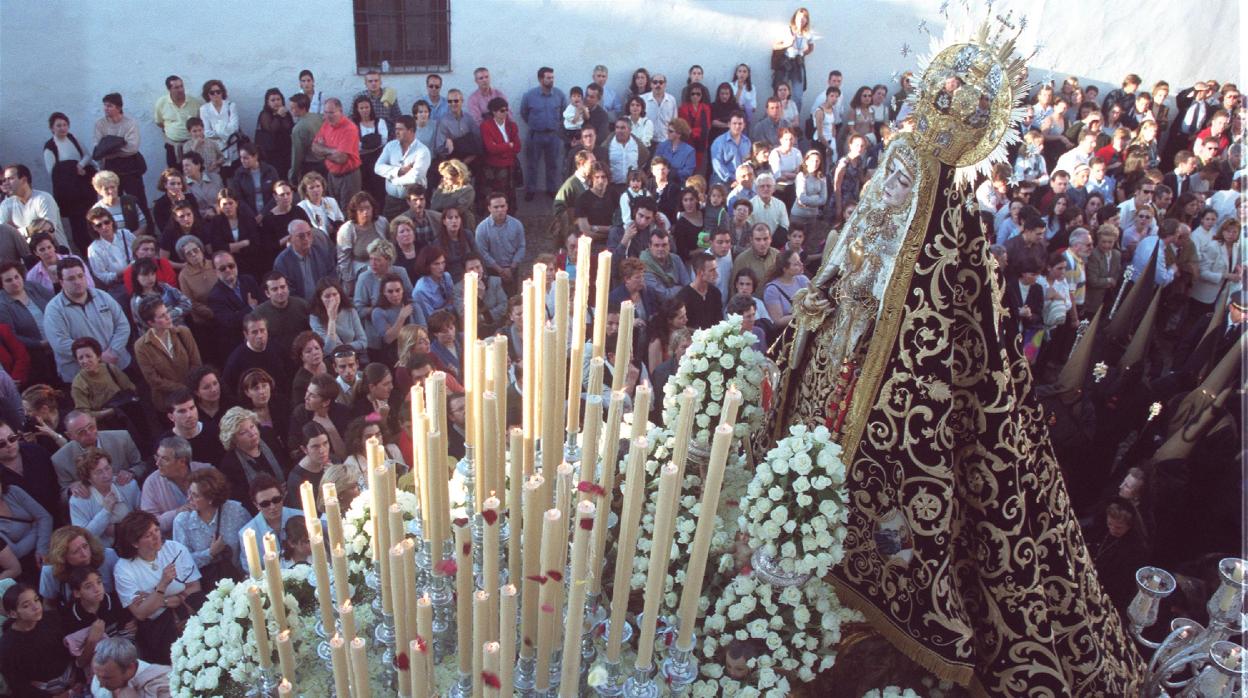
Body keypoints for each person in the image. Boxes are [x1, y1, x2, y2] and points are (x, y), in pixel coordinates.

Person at [114, 510, 201, 664]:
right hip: (157, 627)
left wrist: (155, 600)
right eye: (148, 535)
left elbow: (194, 587)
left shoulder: (175, 549)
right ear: (134, 543)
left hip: (187, 610)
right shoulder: (123, 569)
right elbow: (140, 613)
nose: (156, 537)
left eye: (156, 530)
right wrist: (162, 586)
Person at [43, 258, 131, 382]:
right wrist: (97, 357)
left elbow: (122, 325)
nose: (78, 282)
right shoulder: (53, 310)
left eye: (80, 276)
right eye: (71, 279)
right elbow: (60, 343)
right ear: (62, 282)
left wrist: (113, 351)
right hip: (84, 379)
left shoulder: (103, 296)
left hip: (118, 366)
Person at [0, 584, 76, 696]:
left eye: (36, 600)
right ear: (13, 613)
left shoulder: (52, 618)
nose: (36, 607)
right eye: (26, 606)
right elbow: (17, 684)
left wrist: (77, 678)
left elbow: (70, 648)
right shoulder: (8, 646)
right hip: (43, 691)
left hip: (71, 678)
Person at [42, 112, 97, 254]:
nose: (62, 128)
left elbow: (87, 155)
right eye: (58, 125)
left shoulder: (73, 139)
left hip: (84, 187)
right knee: (77, 222)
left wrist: (81, 165)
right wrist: (70, 171)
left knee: (91, 218)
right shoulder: (50, 147)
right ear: (52, 128)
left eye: (65, 125)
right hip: (69, 193)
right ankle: (85, 251)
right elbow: (53, 172)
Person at [68, 448, 139, 549]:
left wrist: (117, 530)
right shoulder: (78, 500)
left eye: (107, 468)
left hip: (135, 544)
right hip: (102, 553)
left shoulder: (128, 485)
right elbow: (83, 537)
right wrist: (105, 511)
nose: (106, 475)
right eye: (98, 472)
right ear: (88, 478)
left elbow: (144, 516)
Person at [218, 407, 288, 511]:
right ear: (233, 440)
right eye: (243, 432)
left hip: (287, 497)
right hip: (260, 510)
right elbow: (241, 499)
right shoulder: (230, 464)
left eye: (252, 427)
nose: (252, 433)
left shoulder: (269, 437)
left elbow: (287, 464)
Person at [93, 93, 148, 209]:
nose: (106, 108)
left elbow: (132, 147)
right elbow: (98, 147)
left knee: (138, 200)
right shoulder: (100, 124)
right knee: (114, 200)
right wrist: (118, 144)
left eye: (110, 106)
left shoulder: (130, 123)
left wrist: (110, 149)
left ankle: (146, 225)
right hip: (111, 169)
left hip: (130, 168)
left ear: (118, 108)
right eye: (105, 105)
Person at [519, 67, 567, 201]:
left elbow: (564, 113)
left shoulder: (559, 95)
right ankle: (530, 191)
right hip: (536, 135)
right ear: (541, 79)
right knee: (532, 164)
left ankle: (551, 190)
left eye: (552, 77)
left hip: (553, 135)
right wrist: (535, 124)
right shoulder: (529, 96)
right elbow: (524, 113)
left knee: (553, 164)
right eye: (548, 78)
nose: (551, 80)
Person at [39, 526, 119, 605]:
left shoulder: (109, 556)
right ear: (63, 557)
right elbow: (49, 605)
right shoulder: (50, 571)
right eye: (75, 551)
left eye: (85, 546)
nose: (84, 554)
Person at [236, 476, 300, 575]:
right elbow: (251, 571)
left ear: (282, 497)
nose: (272, 507)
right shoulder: (247, 533)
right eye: (265, 504)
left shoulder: (301, 517)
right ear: (256, 505)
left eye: (276, 500)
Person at [375, 116, 432, 219]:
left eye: (400, 129)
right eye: (396, 129)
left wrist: (394, 180)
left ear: (411, 131)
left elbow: (416, 177)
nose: (396, 132)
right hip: (392, 201)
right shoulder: (390, 146)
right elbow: (378, 167)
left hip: (414, 202)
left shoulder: (423, 151)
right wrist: (398, 171)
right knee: (390, 231)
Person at [221, 314, 288, 402]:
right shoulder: (236, 359)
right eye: (254, 332)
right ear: (246, 334)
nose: (260, 336)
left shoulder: (277, 349)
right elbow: (228, 389)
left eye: (262, 330)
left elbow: (287, 378)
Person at [0, 164, 67, 250]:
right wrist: (30, 229)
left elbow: (46, 230)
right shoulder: (6, 205)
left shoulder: (43, 198)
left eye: (11, 179)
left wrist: (15, 231)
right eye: (4, 180)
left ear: (24, 180)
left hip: (57, 256)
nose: (6, 183)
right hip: (29, 260)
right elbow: (4, 235)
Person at [288, 373, 350, 462]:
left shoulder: (343, 413)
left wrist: (331, 431)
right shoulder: (300, 414)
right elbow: (293, 450)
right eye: (307, 392)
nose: (306, 397)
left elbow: (347, 451)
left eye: (312, 396)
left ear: (326, 402)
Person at [335, 192, 388, 293]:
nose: (365, 212)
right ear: (355, 212)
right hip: (359, 266)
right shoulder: (347, 230)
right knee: (368, 271)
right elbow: (344, 260)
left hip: (382, 264)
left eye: (368, 208)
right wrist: (349, 282)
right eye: (361, 210)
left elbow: (389, 247)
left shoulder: (382, 222)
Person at [313, 98, 363, 206]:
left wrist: (322, 150)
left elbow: (341, 158)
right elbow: (314, 147)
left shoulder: (349, 128)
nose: (328, 116)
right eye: (326, 112)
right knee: (333, 209)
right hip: (332, 175)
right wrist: (332, 151)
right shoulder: (326, 124)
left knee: (349, 210)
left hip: (348, 177)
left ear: (340, 111)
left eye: (331, 112)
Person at [90, 636, 171, 697]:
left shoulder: (163, 682)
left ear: (130, 667)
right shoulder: (102, 674)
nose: (100, 684)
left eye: (107, 678)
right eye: (97, 676)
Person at [309, 278, 368, 361]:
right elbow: (328, 349)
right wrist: (332, 319)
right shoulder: (315, 318)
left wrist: (343, 348)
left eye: (335, 294)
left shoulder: (350, 311)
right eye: (327, 296)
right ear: (320, 299)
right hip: (332, 361)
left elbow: (363, 341)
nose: (332, 299)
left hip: (352, 357)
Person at [163, 388, 223, 469]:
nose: (189, 415)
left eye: (192, 408)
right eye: (182, 411)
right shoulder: (165, 444)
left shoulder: (214, 431)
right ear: (171, 417)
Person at [474, 192, 526, 286]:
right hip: (492, 270)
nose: (500, 210)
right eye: (496, 207)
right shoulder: (481, 229)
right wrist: (500, 270)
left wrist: (512, 267)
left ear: (507, 207)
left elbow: (521, 246)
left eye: (502, 206)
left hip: (513, 268)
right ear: (489, 208)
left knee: (512, 297)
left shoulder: (517, 225)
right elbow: (483, 253)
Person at [480, 97, 522, 210]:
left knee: (509, 192)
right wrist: (508, 145)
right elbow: (490, 148)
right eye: (502, 110)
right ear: (494, 112)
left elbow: (517, 147)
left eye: (507, 110)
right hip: (493, 166)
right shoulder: (486, 126)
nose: (506, 113)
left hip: (509, 164)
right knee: (494, 193)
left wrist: (501, 148)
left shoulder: (512, 126)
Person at [128, 258, 192, 331]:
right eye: (145, 275)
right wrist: (176, 312)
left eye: (153, 274)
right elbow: (148, 326)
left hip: (182, 330)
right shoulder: (137, 301)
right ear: (136, 277)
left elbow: (187, 303)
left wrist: (169, 314)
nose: (150, 278)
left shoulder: (165, 287)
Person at [774, 7, 814, 110]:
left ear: (807, 20)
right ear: (795, 18)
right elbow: (775, 46)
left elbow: (811, 48)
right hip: (786, 62)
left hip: (798, 63)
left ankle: (795, 119)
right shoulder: (787, 30)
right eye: (800, 17)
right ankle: (779, 117)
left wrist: (803, 53)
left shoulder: (808, 34)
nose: (802, 19)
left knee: (798, 95)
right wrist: (788, 43)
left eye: (805, 17)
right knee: (780, 93)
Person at [198, 80, 240, 178]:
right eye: (212, 92)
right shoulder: (204, 109)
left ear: (222, 92)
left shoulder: (230, 106)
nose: (216, 94)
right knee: (221, 178)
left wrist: (217, 130)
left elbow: (235, 128)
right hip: (216, 149)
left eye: (218, 91)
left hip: (232, 146)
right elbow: (207, 132)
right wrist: (225, 131)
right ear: (207, 94)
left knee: (235, 175)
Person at [676, 251, 723, 330]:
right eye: (712, 270)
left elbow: (719, 321)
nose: (716, 274)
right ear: (700, 272)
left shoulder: (715, 293)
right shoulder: (683, 297)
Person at [763, 249, 810, 330]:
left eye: (800, 261)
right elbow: (778, 321)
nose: (801, 264)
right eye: (796, 264)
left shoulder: (803, 279)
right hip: (789, 332)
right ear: (785, 269)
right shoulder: (772, 290)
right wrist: (803, 314)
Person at [639, 230, 690, 302]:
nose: (660, 249)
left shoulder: (676, 258)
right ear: (650, 246)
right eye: (656, 245)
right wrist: (681, 288)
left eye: (664, 245)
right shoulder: (644, 265)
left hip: (681, 302)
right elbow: (662, 296)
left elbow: (688, 285)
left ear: (669, 245)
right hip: (659, 308)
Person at [1084, 225, 1123, 315]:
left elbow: (1116, 275)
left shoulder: (1117, 255)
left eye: (1110, 242)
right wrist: (1109, 280)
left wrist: (1113, 281)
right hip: (1094, 301)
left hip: (1110, 298)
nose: (1106, 245)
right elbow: (1093, 281)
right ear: (1098, 240)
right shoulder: (1093, 255)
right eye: (1103, 242)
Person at [255, 88, 294, 178]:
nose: (276, 102)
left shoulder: (286, 113)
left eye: (278, 99)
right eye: (273, 100)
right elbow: (271, 129)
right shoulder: (265, 114)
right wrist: (278, 116)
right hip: (271, 153)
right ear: (267, 102)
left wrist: (284, 116)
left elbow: (290, 128)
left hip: (286, 151)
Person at [296, 171, 344, 240]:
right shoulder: (301, 207)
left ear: (322, 187)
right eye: (311, 188)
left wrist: (334, 227)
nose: (316, 190)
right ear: (306, 190)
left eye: (318, 186)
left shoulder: (331, 201)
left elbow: (340, 219)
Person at [289, 331, 328, 409]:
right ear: (301, 357)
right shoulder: (300, 382)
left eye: (317, 348)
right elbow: (300, 410)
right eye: (308, 351)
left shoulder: (329, 364)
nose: (315, 353)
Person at [654, 117, 696, 182]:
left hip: (678, 183)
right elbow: (655, 164)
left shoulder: (690, 151)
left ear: (679, 134)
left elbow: (688, 172)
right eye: (667, 130)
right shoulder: (662, 146)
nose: (667, 133)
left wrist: (671, 172)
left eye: (670, 131)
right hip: (660, 181)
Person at [641, 74, 677, 144]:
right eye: (655, 82)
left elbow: (674, 121)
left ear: (665, 84)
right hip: (647, 141)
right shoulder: (642, 99)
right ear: (651, 84)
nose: (658, 85)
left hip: (666, 140)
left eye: (661, 82)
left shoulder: (671, 100)